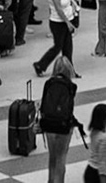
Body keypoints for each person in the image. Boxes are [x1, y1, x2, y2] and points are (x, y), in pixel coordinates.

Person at [40, 52, 80, 183]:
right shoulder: (71, 86)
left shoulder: (49, 83)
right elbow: (69, 108)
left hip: (49, 124)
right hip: (63, 125)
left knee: (52, 157)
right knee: (61, 157)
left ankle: (51, 180)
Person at [35, 0, 79, 76]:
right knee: (58, 46)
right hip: (58, 24)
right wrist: (68, 23)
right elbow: (59, 9)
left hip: (66, 21)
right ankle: (40, 65)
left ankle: (69, 70)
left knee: (68, 47)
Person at [82, 104, 106, 183]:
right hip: (98, 175)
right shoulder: (104, 138)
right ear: (104, 118)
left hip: (90, 169)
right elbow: (102, 163)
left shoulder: (94, 132)